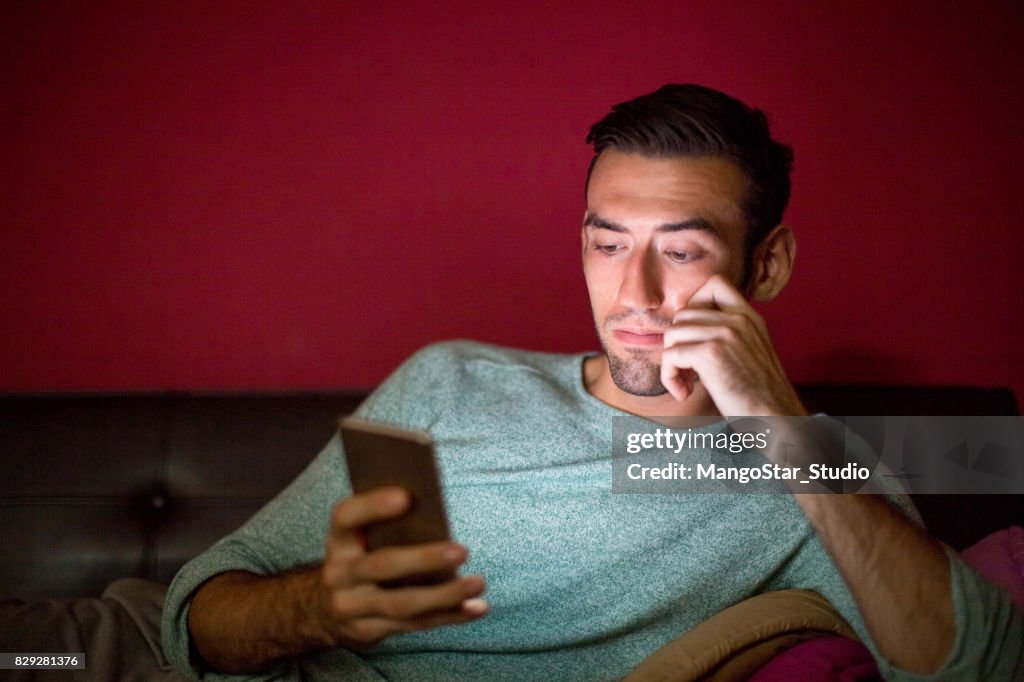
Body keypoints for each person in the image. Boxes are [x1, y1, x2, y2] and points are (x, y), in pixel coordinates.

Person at [162, 84, 1022, 680]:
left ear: (769, 264)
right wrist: (323, 608)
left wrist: (775, 422)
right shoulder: (448, 378)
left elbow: (980, 665)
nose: (635, 295)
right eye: (607, 244)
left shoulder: (816, 470)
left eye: (681, 252)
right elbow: (201, 610)